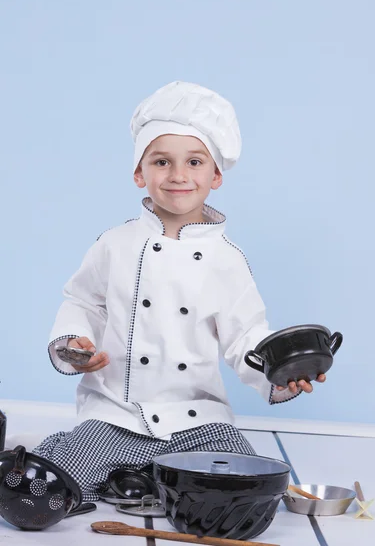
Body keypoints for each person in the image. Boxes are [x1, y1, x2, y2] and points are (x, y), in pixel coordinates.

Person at [33, 81, 326, 501]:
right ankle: (124, 473)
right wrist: (71, 343)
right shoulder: (114, 244)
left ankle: (142, 480)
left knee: (239, 487)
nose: (178, 175)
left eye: (194, 161)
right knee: (60, 482)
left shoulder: (228, 259)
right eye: (161, 161)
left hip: (198, 419)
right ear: (139, 173)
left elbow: (247, 337)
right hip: (118, 414)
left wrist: (280, 376)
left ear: (216, 175)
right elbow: (82, 302)